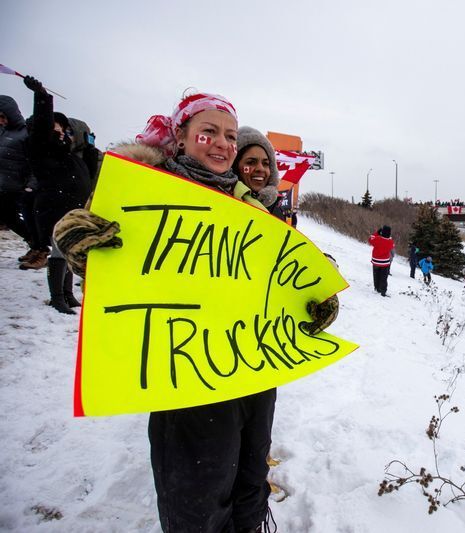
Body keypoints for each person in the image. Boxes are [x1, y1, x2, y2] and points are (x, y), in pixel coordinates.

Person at [54, 91, 339, 532]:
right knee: (198, 495)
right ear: (182, 136)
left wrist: (317, 298)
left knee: (250, 479)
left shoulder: (250, 206)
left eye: (229, 135)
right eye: (208, 132)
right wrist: (80, 246)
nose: (223, 143)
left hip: (253, 369)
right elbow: (109, 266)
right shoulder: (144, 191)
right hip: (186, 378)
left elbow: (279, 274)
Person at [22, 76, 91, 313]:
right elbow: (42, 128)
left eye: (63, 130)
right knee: (59, 252)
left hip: (72, 208)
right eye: (55, 129)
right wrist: (41, 96)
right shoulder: (41, 149)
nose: (60, 133)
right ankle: (57, 297)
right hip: (53, 208)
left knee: (69, 250)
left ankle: (68, 294)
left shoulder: (68, 154)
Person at [0, 95, 32, 253]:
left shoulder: (25, 134)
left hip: (16, 186)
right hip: (2, 184)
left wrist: (31, 184)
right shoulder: (2, 133)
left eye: (2, 116)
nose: (1, 120)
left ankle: (37, 245)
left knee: (11, 219)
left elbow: (34, 161)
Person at [232, 126, 282, 217]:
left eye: (265, 163)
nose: (261, 169)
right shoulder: (222, 201)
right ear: (235, 166)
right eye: (251, 162)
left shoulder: (276, 208)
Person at [369, 225, 394, 296]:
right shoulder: (390, 242)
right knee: (384, 277)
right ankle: (383, 290)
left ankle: (376, 288)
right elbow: (392, 246)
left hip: (376, 261)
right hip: (385, 262)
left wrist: (377, 233)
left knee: (376, 275)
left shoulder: (377, 239)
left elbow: (370, 239)